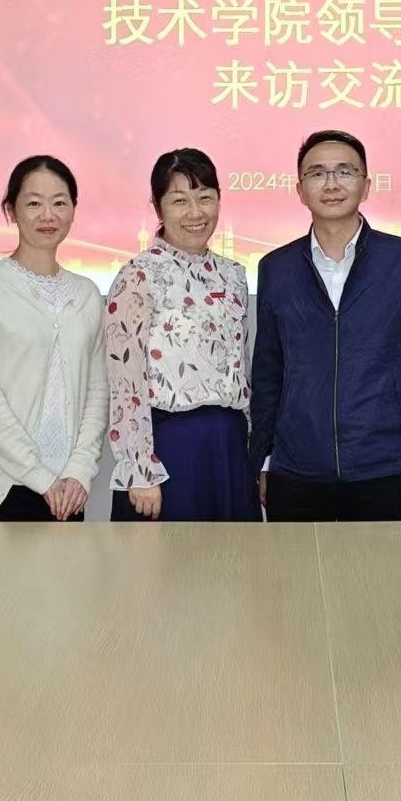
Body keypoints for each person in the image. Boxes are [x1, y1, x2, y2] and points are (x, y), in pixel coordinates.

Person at [249, 130, 401, 522]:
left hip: (384, 468)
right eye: (317, 173)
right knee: (296, 565)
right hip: (295, 470)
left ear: (366, 185)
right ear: (300, 190)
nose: (332, 183)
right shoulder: (276, 268)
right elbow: (268, 374)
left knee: (383, 566)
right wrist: (263, 460)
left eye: (345, 171)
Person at [0, 156, 107, 522]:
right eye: (34, 203)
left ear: (73, 209)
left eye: (59, 202)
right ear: (11, 211)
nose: (47, 215)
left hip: (66, 491)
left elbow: (97, 391)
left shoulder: (87, 294)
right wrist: (38, 476)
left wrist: (80, 470)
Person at [105, 149, 257, 522]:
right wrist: (141, 468)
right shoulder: (138, 276)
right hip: (168, 449)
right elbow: (126, 380)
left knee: (233, 557)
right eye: (179, 200)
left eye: (205, 197)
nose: (195, 212)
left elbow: (239, 367)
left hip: (228, 446)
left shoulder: (234, 275)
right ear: (158, 206)